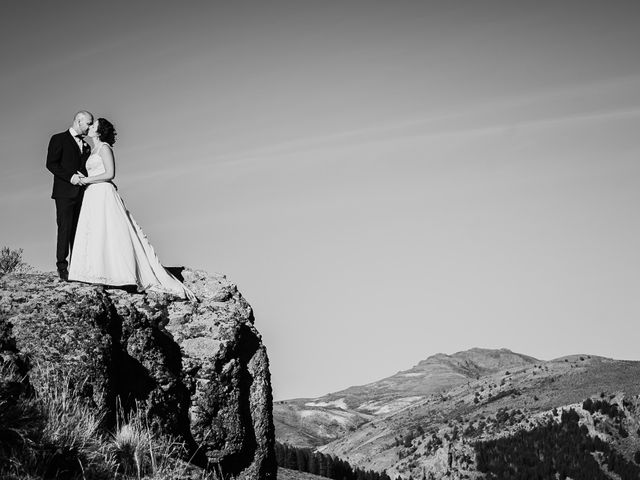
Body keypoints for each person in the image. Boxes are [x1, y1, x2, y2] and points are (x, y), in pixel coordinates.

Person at [67, 117, 196, 301]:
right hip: (92, 194)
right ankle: (96, 271)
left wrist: (86, 180)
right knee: (96, 231)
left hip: (103, 192)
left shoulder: (104, 148)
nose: (90, 127)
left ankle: (122, 273)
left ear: (100, 131)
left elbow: (110, 173)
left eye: (93, 125)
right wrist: (84, 177)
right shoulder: (91, 149)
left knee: (111, 230)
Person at [46, 111, 94, 280]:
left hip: (83, 193)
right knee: (65, 228)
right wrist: (71, 177)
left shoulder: (87, 146)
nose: (90, 127)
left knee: (80, 230)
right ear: (78, 121)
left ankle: (79, 266)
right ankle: (62, 266)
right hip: (64, 193)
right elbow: (51, 163)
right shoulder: (58, 139)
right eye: (88, 123)